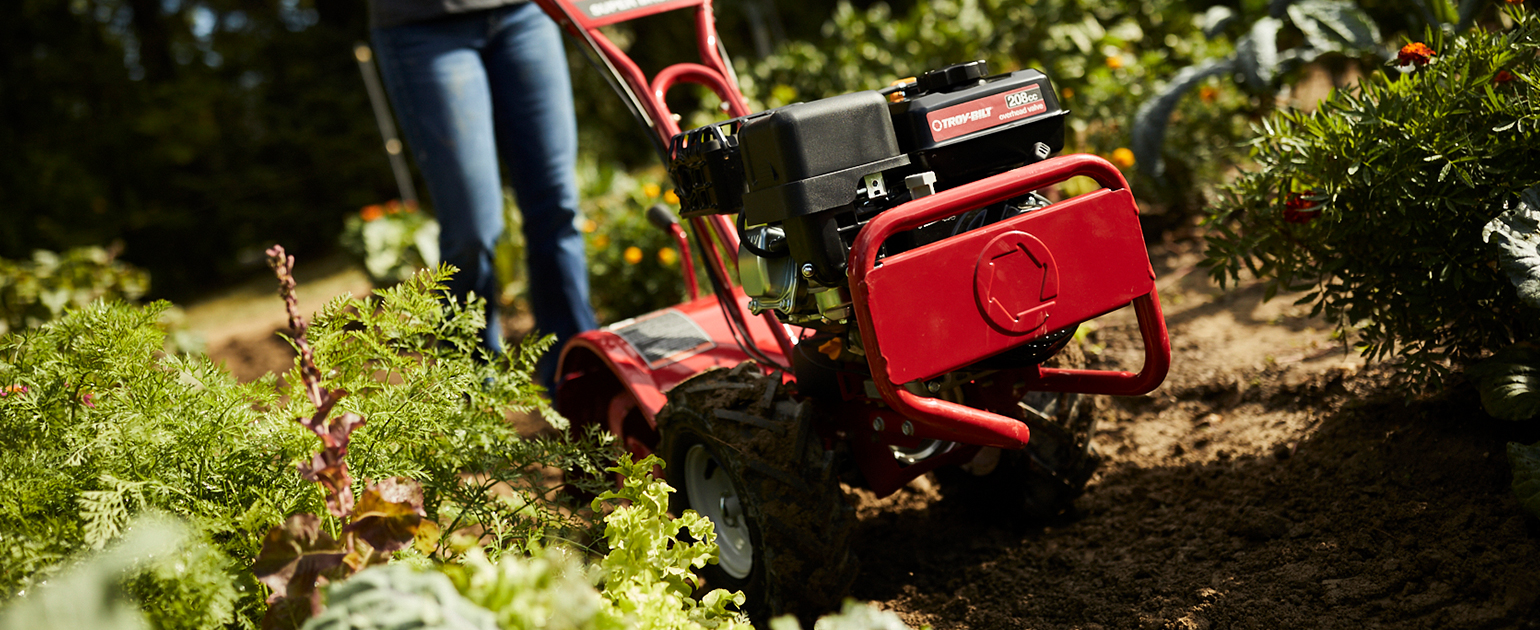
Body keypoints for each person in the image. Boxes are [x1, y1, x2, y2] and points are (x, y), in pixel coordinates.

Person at [369, 0, 598, 388]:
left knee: (557, 206)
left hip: (525, 13)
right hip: (422, 27)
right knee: (472, 230)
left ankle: (581, 384)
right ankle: (477, 407)